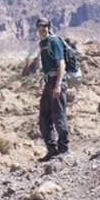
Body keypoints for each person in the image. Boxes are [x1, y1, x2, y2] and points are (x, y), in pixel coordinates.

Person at [36, 17, 70, 161]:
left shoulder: (53, 41)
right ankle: (52, 150)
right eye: (39, 26)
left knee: (58, 115)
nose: (42, 29)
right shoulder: (42, 43)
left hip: (56, 82)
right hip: (49, 82)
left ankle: (63, 148)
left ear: (49, 26)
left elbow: (61, 64)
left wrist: (58, 85)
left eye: (44, 26)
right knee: (44, 116)